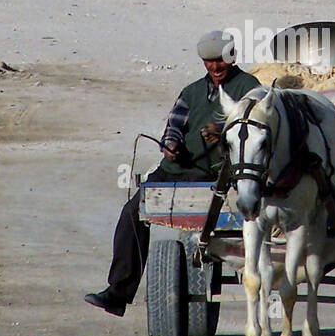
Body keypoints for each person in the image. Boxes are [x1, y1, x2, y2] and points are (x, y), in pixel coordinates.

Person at [85, 30, 261, 315]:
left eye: (220, 60)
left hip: (216, 176)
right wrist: (170, 144)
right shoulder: (191, 91)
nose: (214, 67)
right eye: (208, 61)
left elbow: (253, 128)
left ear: (232, 57)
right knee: (133, 212)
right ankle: (118, 293)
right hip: (176, 170)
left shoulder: (249, 87)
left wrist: (223, 131)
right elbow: (174, 125)